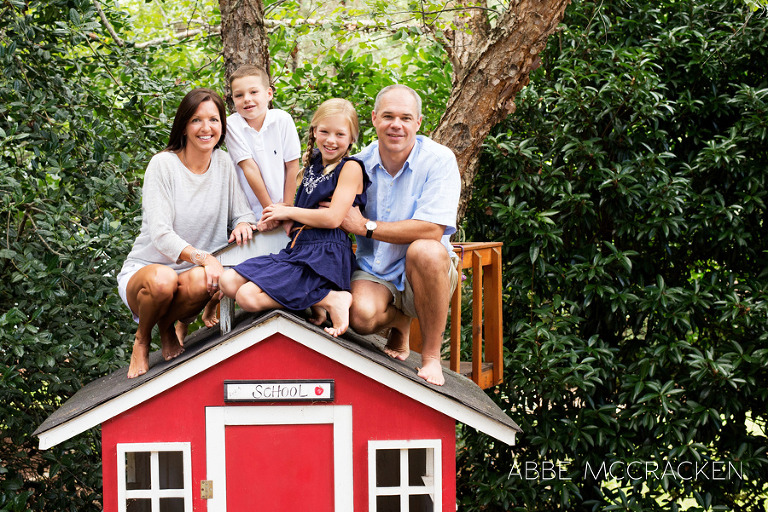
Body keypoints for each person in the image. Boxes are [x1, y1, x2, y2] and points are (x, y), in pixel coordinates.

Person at [117, 88, 257, 379]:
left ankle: (166, 326)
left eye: (214, 120)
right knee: (163, 279)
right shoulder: (163, 165)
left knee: (202, 280)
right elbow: (160, 234)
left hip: (192, 274)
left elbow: (242, 212)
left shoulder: (223, 164)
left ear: (222, 126)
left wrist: (244, 223)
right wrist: (205, 257)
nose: (206, 128)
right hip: (147, 274)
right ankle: (143, 339)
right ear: (183, 125)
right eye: (196, 120)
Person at [340, 84, 461, 386]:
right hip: (375, 270)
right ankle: (398, 320)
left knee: (427, 249)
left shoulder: (439, 160)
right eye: (389, 116)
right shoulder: (357, 165)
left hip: (424, 270)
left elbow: (432, 230)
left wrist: (366, 226)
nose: (397, 125)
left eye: (406, 118)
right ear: (374, 119)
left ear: (418, 123)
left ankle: (431, 355)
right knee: (359, 316)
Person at [219, 98, 369, 337]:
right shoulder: (314, 165)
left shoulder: (350, 168)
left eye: (340, 134)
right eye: (324, 132)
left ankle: (331, 298)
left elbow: (332, 218)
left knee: (247, 297)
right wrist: (282, 219)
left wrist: (286, 210)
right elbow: (303, 214)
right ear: (314, 132)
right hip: (299, 249)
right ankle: (316, 302)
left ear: (352, 139)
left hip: (325, 255)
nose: (331, 140)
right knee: (227, 282)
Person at [225, 64, 302, 235]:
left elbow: (292, 166)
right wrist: (269, 212)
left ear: (268, 94)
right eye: (239, 95)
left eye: (253, 92)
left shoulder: (282, 120)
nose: (247, 99)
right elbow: (249, 168)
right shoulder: (232, 125)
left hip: (284, 208)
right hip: (252, 214)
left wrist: (286, 210)